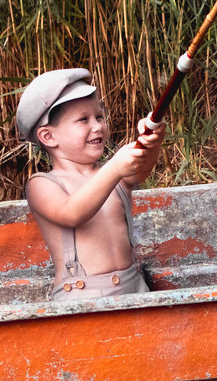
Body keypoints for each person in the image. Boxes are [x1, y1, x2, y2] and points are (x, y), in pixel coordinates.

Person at [14, 68, 163, 301]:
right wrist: (115, 167)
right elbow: (71, 213)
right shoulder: (43, 184)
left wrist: (152, 140)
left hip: (136, 290)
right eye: (83, 120)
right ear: (48, 137)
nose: (97, 126)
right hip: (82, 300)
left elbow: (141, 168)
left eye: (99, 116)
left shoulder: (115, 176)